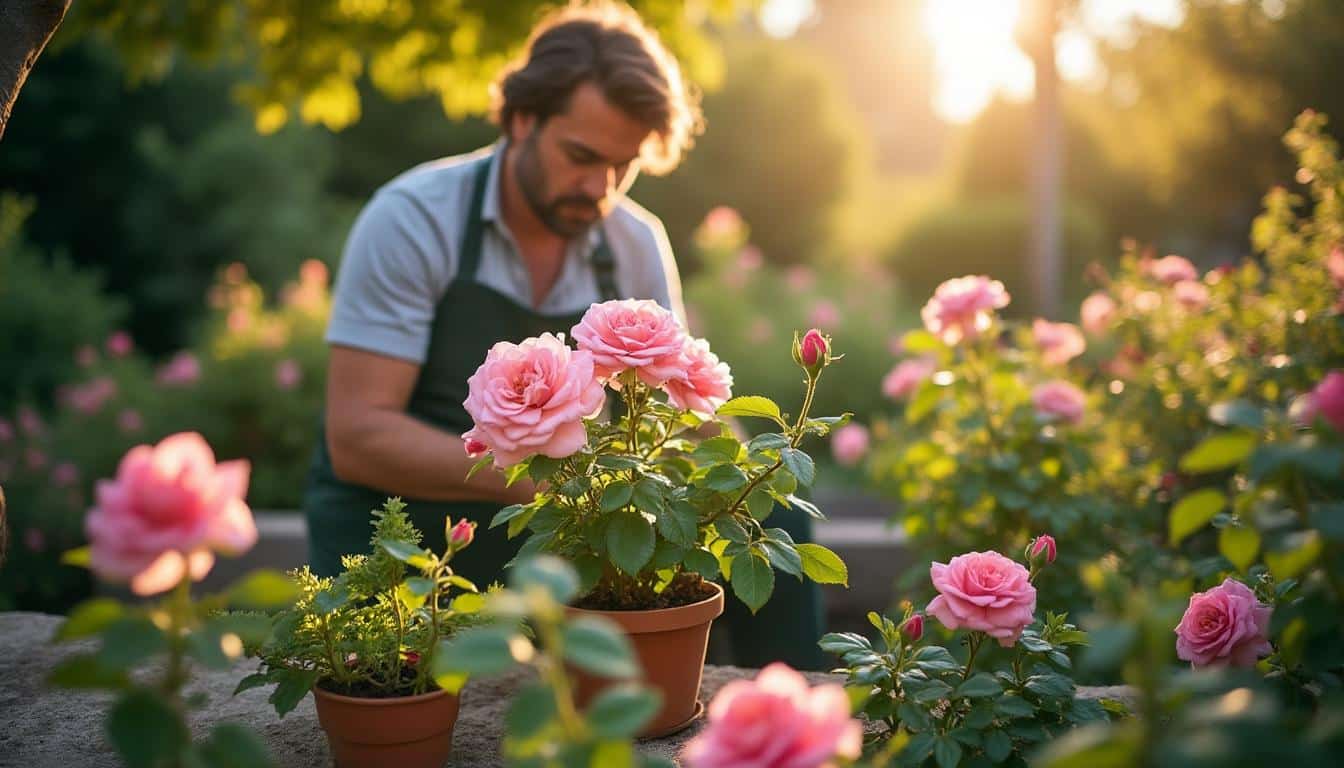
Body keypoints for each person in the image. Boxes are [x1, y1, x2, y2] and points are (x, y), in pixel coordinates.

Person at [304, 2, 824, 669]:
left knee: (776, 522)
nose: (599, 187)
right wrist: (546, 488)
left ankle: (791, 726)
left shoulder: (633, 242)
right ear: (522, 118)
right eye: (581, 156)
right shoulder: (412, 221)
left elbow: (688, 413)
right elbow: (358, 438)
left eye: (623, 165)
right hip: (407, 536)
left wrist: (747, 481)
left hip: (553, 537)